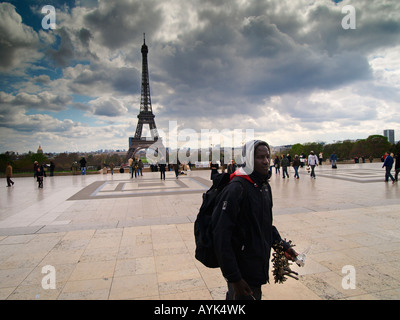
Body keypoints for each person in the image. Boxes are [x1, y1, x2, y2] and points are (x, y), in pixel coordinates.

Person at [212, 140, 298, 300]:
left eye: (267, 157)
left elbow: (264, 225)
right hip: (242, 271)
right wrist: (234, 278)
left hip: (256, 265)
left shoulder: (264, 187)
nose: (266, 161)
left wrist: (282, 246)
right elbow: (221, 237)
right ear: (249, 160)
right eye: (260, 157)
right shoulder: (236, 189)